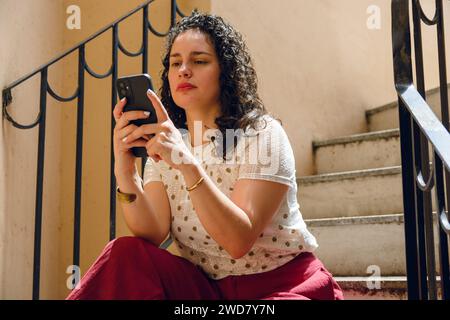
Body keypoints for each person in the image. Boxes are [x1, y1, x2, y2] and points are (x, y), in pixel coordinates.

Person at [66, 12, 343, 300]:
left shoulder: (262, 134)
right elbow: (152, 234)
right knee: (124, 252)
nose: (184, 70)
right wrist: (125, 172)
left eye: (199, 61)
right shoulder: (170, 141)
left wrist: (187, 164)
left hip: (281, 286)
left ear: (226, 72)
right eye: (175, 63)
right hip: (204, 289)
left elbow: (238, 241)